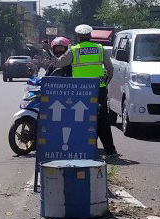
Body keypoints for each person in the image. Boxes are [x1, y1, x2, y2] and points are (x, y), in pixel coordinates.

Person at [49, 24, 118, 156]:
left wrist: (50, 53)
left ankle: (81, 148)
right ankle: (110, 150)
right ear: (90, 36)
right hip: (98, 89)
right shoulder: (99, 48)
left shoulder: (74, 51)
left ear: (78, 37)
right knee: (102, 120)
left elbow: (58, 63)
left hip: (79, 91)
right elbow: (110, 69)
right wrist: (105, 82)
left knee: (80, 120)